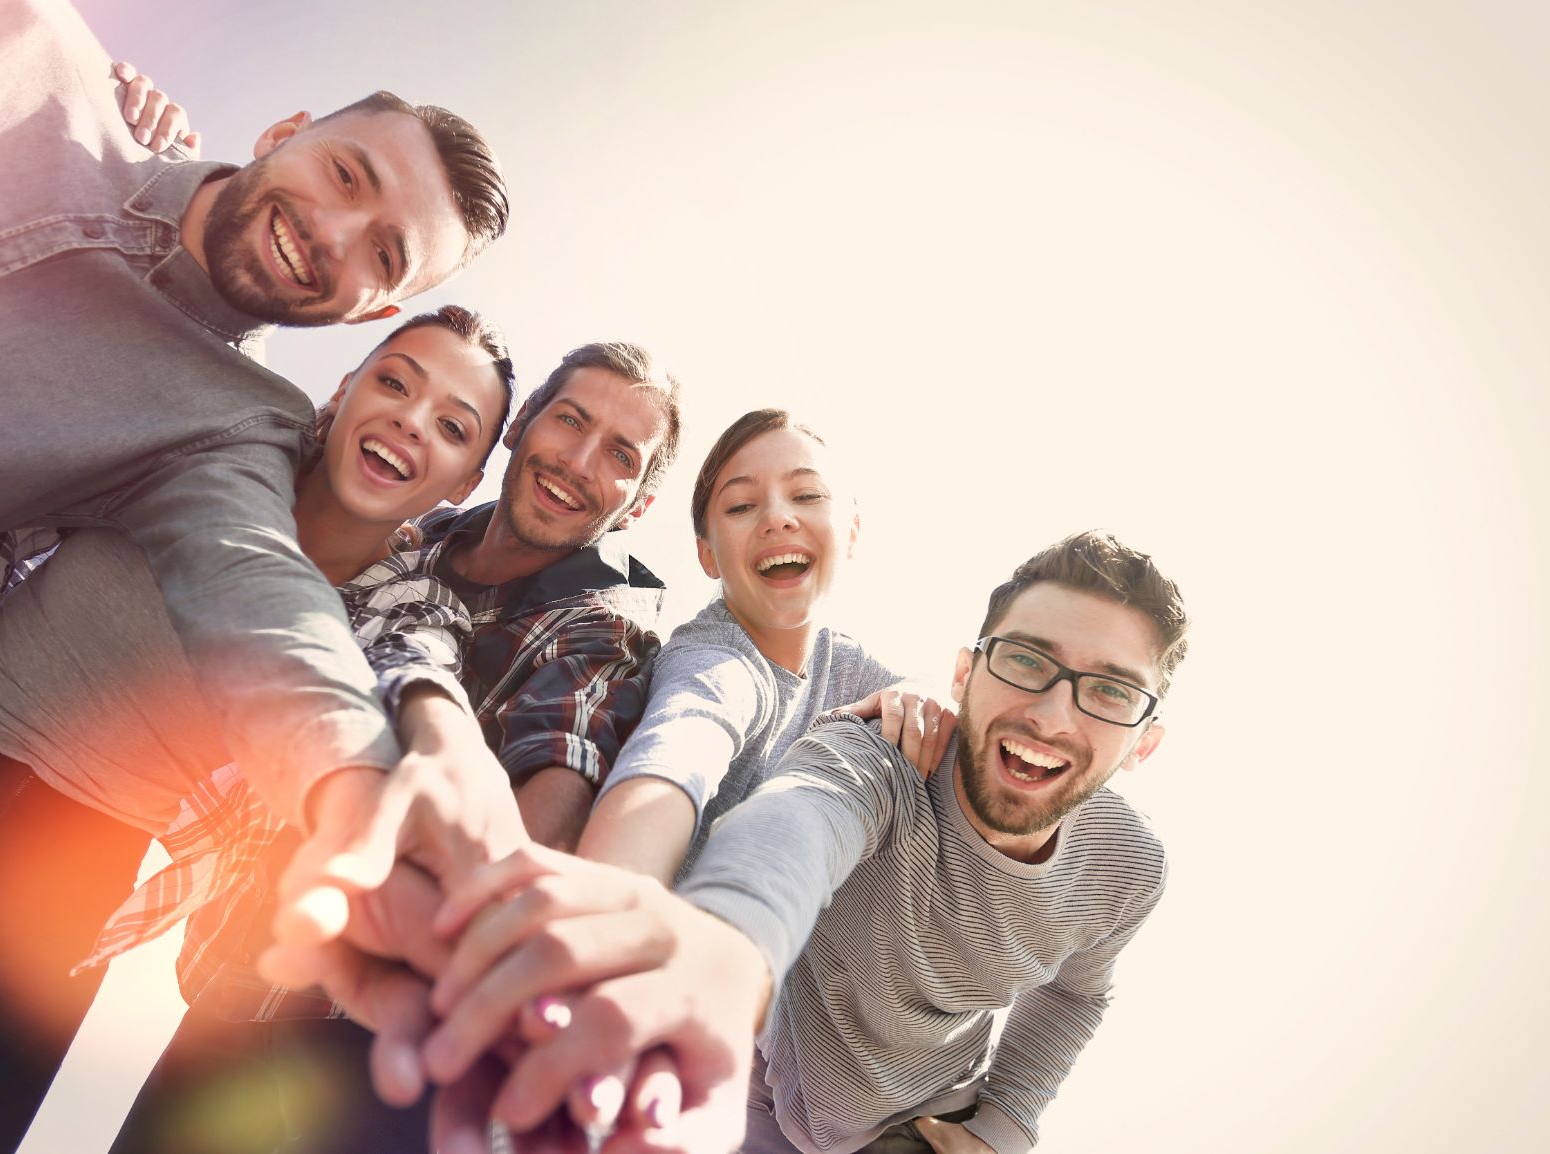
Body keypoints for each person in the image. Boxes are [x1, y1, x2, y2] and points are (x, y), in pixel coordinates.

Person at [0, 0, 510, 867]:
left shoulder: (223, 426)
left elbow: (264, 591)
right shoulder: (18, 33)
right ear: (284, 132)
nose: (330, 235)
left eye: (383, 253)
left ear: (372, 310)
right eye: (345, 175)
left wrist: (357, 782)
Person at [0, 304, 517, 1154]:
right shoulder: (217, 435)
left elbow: (419, 672)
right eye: (394, 381)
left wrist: (448, 749)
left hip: (64, 887)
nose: (410, 420)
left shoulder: (408, 607)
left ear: (462, 484)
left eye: (452, 425)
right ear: (345, 388)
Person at [426, 530, 1189, 1154]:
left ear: (1145, 744)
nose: (1053, 715)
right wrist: (720, 955)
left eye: (1110, 691)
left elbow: (1079, 991)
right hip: (765, 1091)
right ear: (966, 673)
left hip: (918, 1127)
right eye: (1026, 660)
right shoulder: (886, 753)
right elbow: (796, 824)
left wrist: (1007, 1125)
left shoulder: (1128, 868)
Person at [116, 340, 686, 1154]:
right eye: (571, 421)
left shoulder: (603, 630)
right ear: (521, 425)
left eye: (621, 455)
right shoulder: (406, 541)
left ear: (636, 505)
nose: (580, 461)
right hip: (229, 996)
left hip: (375, 1051)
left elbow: (546, 812)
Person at [580, 408, 948, 884]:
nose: (777, 518)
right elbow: (680, 742)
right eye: (740, 506)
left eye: (807, 495)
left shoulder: (848, 666)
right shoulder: (709, 658)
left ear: (852, 531)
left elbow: (948, 704)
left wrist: (925, 687)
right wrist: (613, 879)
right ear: (707, 554)